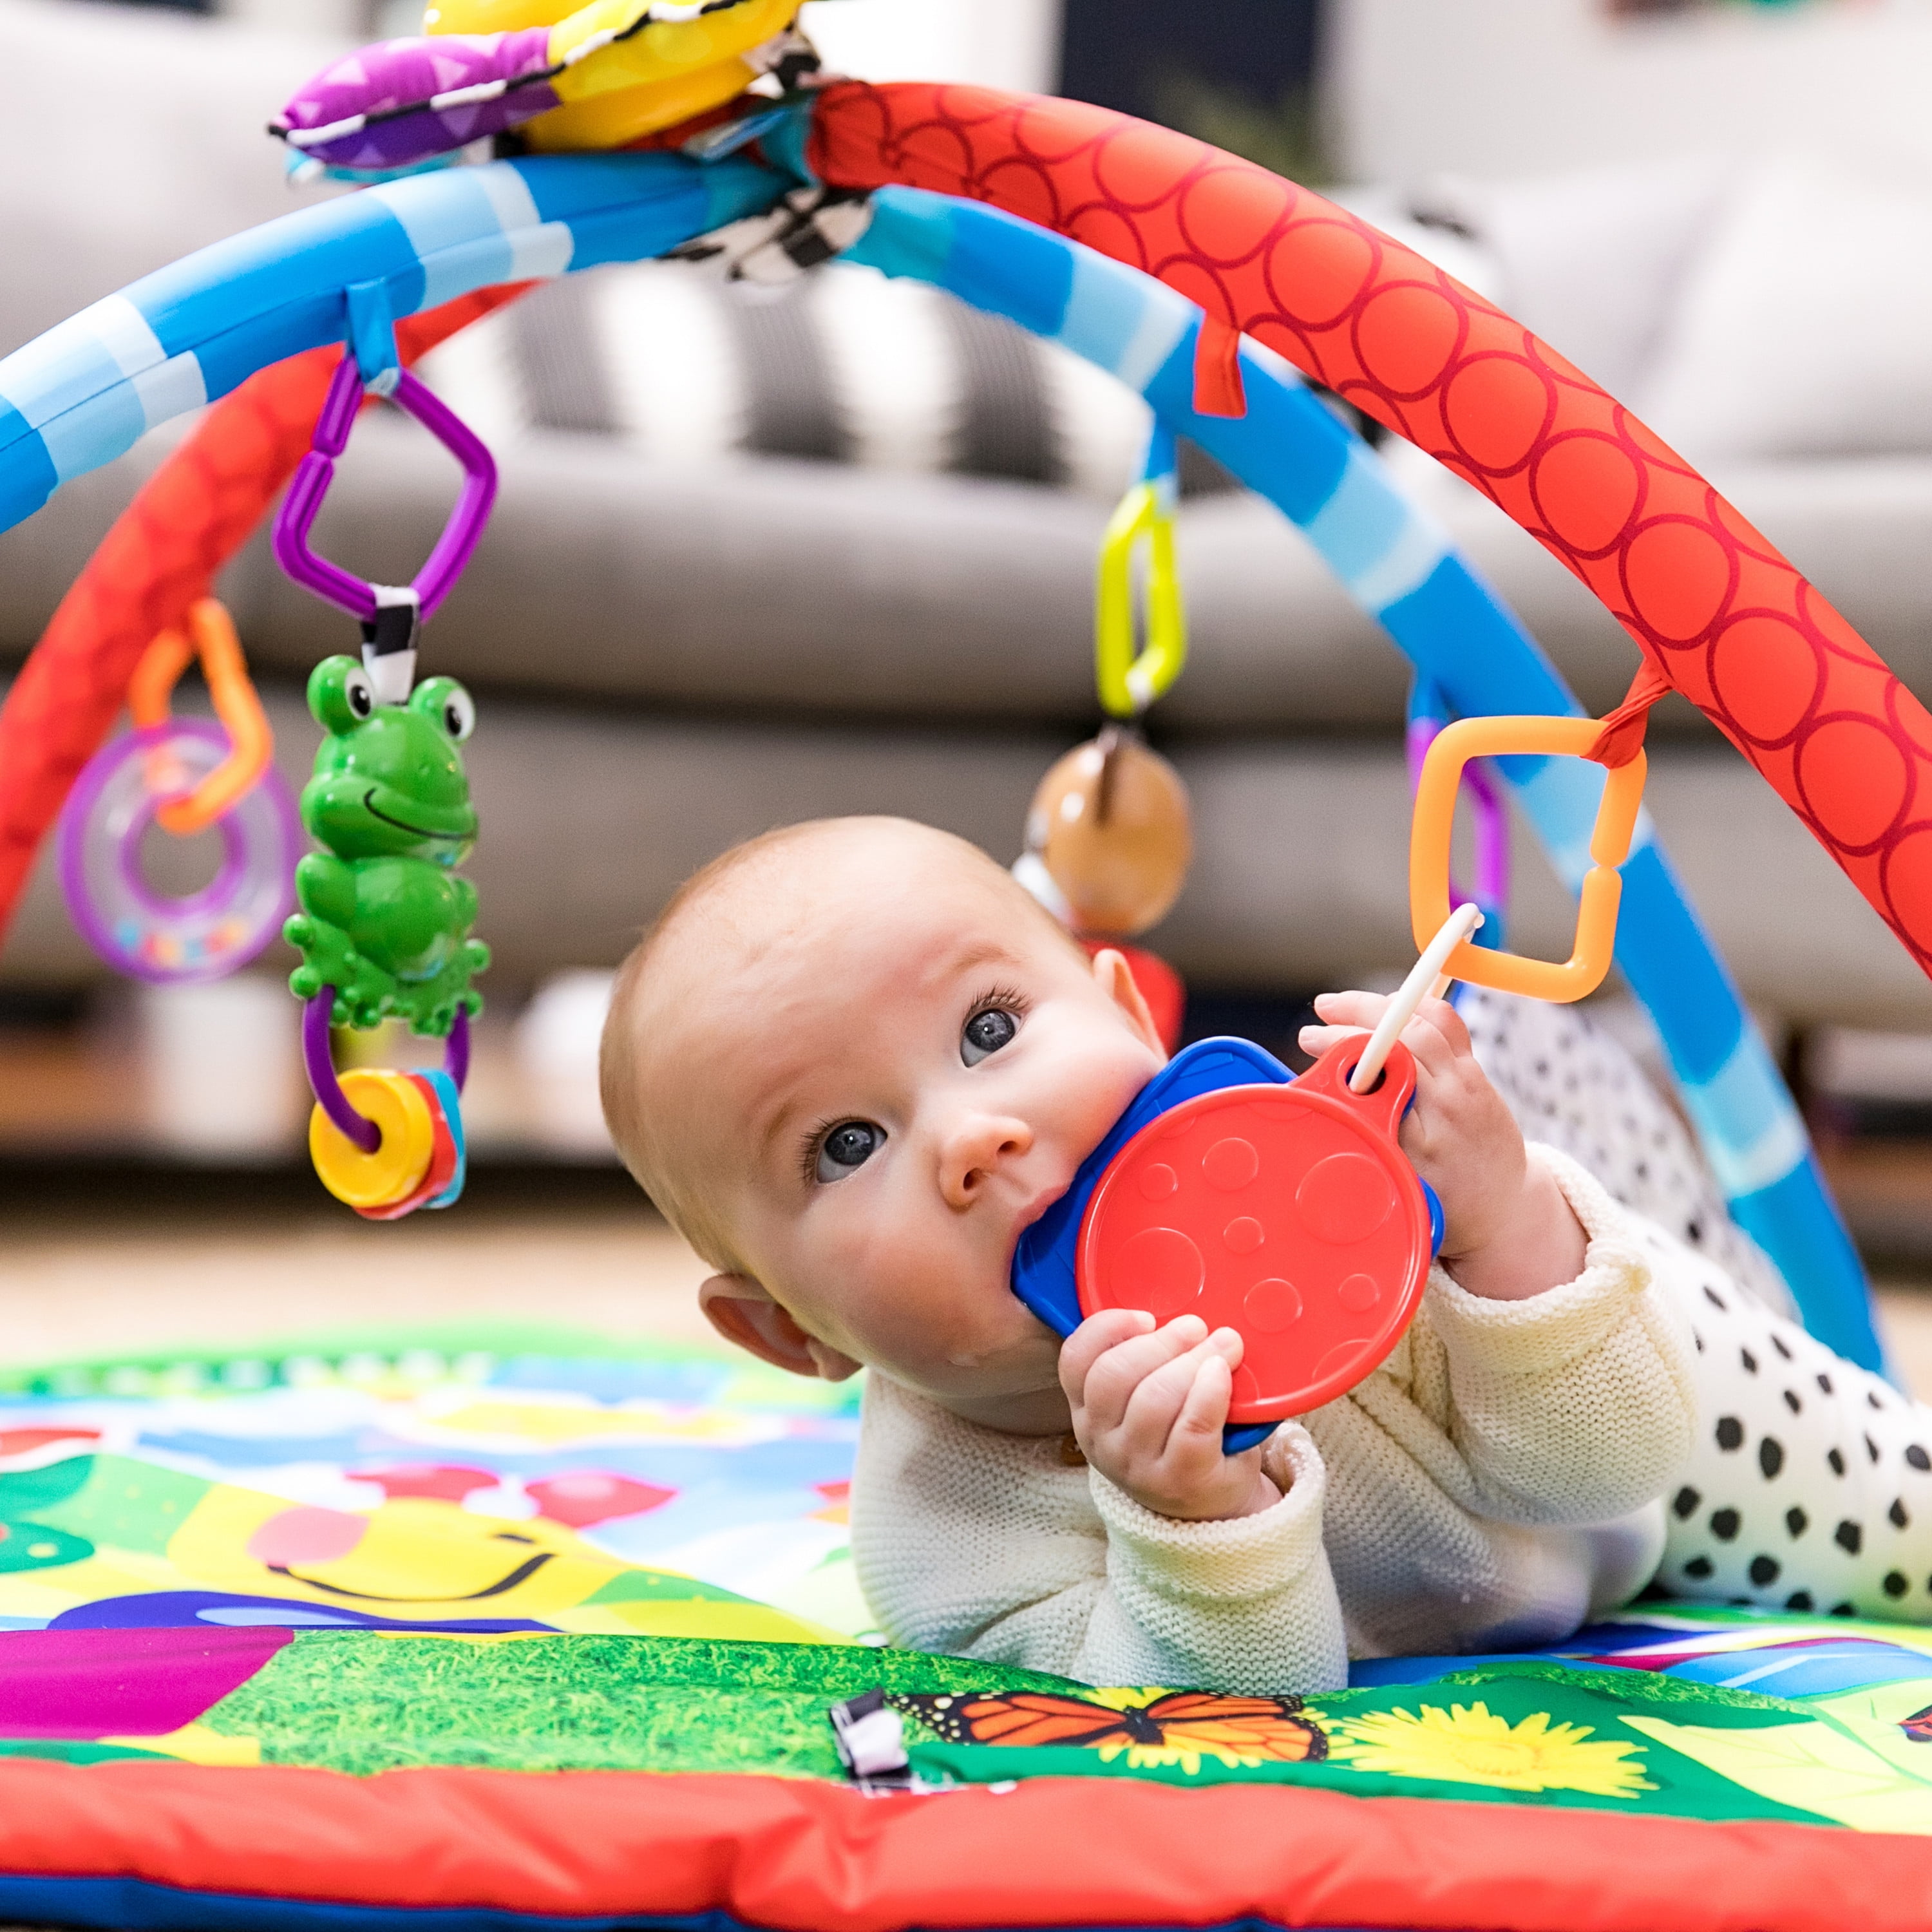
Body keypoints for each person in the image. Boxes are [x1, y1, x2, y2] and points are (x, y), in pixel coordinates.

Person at [600, 815, 1932, 1693]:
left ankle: (1565, 1136)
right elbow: (1216, 1732)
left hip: (1642, 1442)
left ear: (1127, 1011)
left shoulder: (1319, 1211)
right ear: (790, 1331)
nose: (975, 1136)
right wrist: (1195, 1524)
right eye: (842, 1146)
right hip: (1492, 1570)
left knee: (1905, 1524)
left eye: (993, 1029)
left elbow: (1613, 1464)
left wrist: (1500, 1217)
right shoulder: (945, 1546)